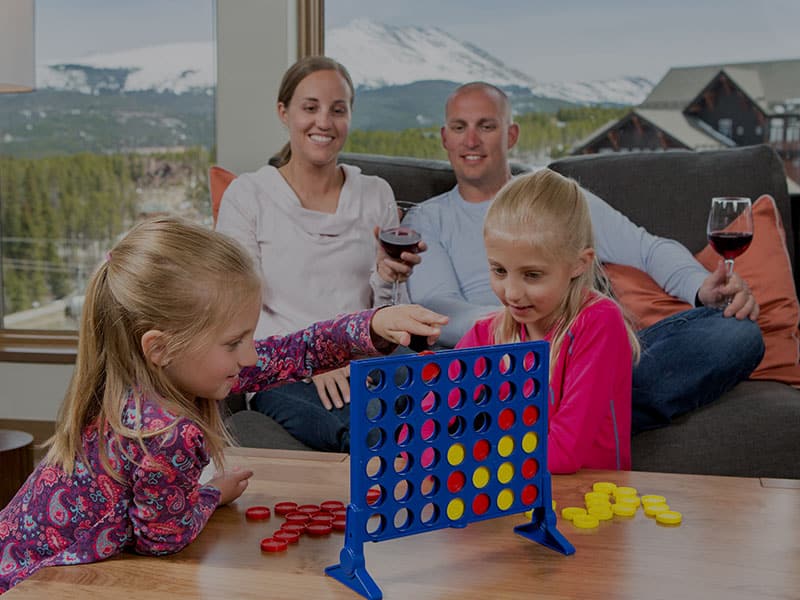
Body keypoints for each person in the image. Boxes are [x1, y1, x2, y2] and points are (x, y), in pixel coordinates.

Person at [0, 215, 447, 594]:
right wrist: (208, 496)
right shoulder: (168, 433)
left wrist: (372, 325)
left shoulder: (136, 375)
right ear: (160, 347)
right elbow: (163, 540)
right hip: (33, 586)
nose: (250, 356)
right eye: (235, 342)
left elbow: (295, 352)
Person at [405, 81, 765, 434]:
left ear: (511, 135)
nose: (471, 140)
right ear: (445, 137)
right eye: (459, 127)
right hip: (498, 367)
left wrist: (701, 287)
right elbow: (437, 309)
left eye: (486, 126)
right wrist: (522, 326)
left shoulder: (557, 198)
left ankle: (551, 422)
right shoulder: (426, 218)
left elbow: (646, 248)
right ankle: (575, 419)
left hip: (585, 354)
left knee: (735, 333)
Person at [216, 56, 425, 452]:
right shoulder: (249, 196)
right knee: (365, 434)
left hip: (365, 361)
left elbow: (387, 313)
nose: (324, 122)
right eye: (310, 108)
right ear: (284, 112)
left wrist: (387, 276)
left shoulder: (375, 193)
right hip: (284, 369)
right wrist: (312, 361)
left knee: (435, 410)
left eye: (338, 109)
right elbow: (233, 309)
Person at [457, 169, 639, 473]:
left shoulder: (599, 322)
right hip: (512, 493)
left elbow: (562, 454)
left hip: (589, 500)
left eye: (532, 275)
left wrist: (464, 453)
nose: (512, 293)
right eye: (499, 271)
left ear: (579, 264)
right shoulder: (485, 332)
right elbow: (429, 422)